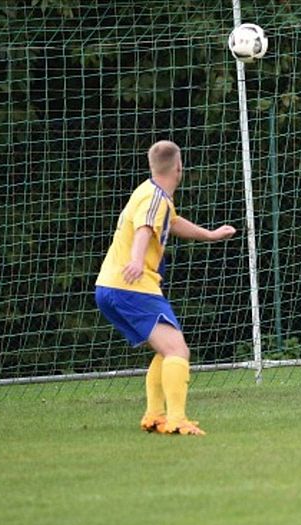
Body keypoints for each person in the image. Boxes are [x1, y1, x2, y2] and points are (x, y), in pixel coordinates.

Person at [95, 141, 237, 436]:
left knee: (165, 349)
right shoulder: (156, 198)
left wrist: (210, 235)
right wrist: (136, 260)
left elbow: (171, 222)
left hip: (109, 286)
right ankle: (177, 419)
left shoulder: (149, 192)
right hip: (131, 285)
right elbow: (146, 228)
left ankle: (155, 415)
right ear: (179, 166)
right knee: (177, 350)